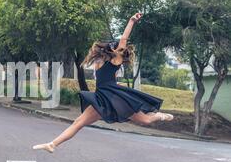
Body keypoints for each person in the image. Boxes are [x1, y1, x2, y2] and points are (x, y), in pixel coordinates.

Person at [33, 13, 174, 154]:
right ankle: (52, 144)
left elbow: (124, 39)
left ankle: (160, 115)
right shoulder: (100, 62)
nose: (118, 47)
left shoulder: (116, 60)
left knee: (146, 121)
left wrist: (131, 21)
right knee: (78, 122)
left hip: (115, 98)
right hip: (101, 97)